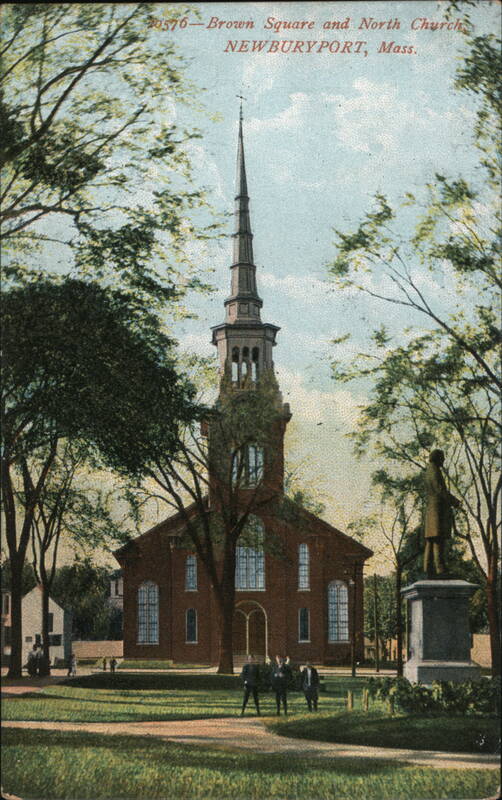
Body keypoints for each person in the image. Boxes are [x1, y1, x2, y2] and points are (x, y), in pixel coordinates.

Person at [424, 449, 461, 576]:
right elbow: (440, 490)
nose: (444, 460)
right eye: (442, 457)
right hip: (437, 510)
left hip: (432, 510)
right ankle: (441, 569)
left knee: (431, 540)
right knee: (438, 539)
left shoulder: (429, 470)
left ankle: (427, 569)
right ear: (437, 458)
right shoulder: (435, 470)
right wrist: (454, 501)